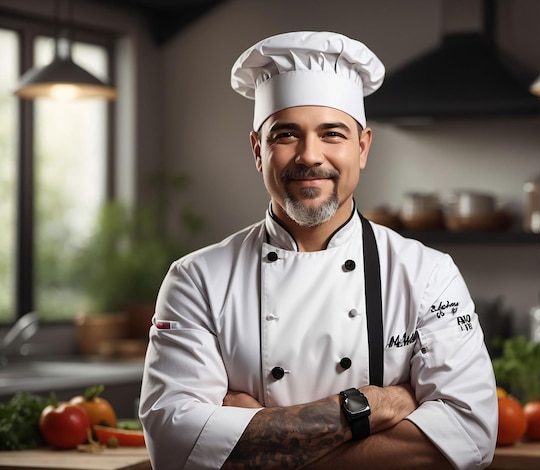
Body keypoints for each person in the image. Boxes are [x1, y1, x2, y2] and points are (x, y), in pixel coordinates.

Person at [139, 31, 497, 470]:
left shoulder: (426, 274)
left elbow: (471, 435)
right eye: (286, 135)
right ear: (258, 150)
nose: (310, 156)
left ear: (362, 147)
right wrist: (367, 406)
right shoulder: (196, 279)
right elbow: (174, 446)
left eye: (332, 134)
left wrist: (257, 432)